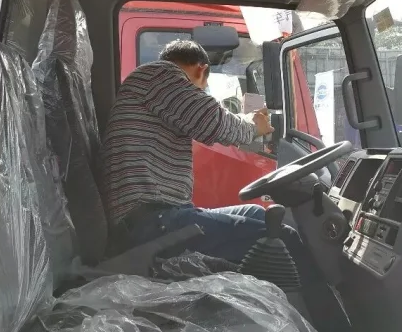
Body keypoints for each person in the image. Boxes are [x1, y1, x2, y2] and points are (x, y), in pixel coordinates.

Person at [101, 39, 305, 273]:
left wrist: (248, 123)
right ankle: (319, 297)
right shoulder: (159, 75)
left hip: (158, 217)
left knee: (257, 213)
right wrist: (253, 127)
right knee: (283, 238)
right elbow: (212, 122)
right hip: (150, 223)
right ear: (201, 70)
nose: (199, 94)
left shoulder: (152, 86)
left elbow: (208, 117)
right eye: (201, 89)